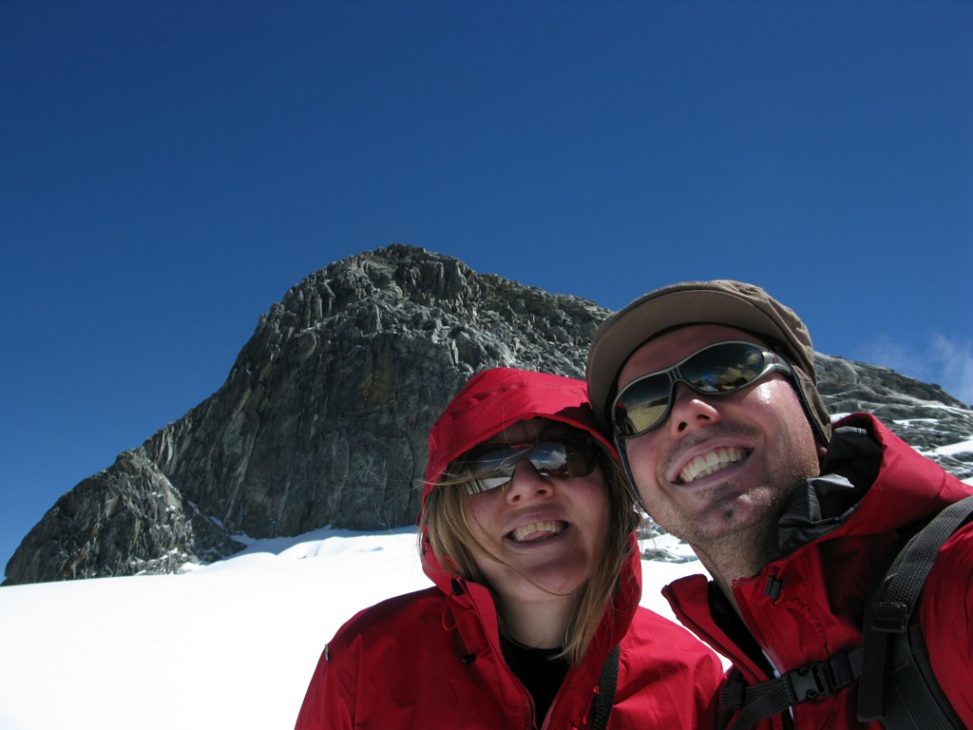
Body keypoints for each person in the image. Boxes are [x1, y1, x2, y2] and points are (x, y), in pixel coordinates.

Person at [585, 279, 973, 729]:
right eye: (642, 406)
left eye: (728, 369)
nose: (688, 410)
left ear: (811, 406)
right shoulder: (737, 707)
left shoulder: (957, 584)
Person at [295, 366, 724, 729]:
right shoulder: (367, 661)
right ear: (450, 516)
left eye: (560, 455)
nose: (526, 485)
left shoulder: (692, 680)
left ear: (612, 488)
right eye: (486, 471)